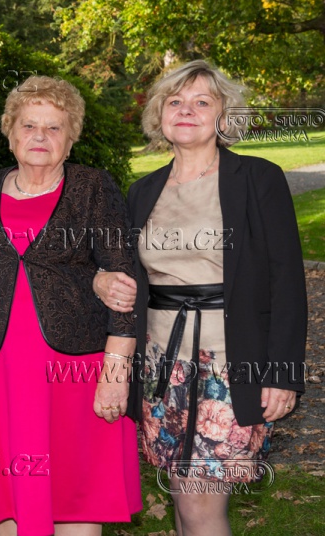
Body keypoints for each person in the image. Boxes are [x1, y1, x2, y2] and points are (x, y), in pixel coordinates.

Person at [95, 60, 307, 536]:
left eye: (201, 102)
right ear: (160, 115)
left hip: (232, 366)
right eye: (175, 101)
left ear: (223, 117)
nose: (185, 110)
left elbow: (287, 281)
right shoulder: (142, 191)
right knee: (181, 496)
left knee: (198, 503)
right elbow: (124, 274)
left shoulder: (258, 178)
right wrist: (101, 281)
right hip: (160, 367)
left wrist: (282, 373)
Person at [0, 75, 142, 536]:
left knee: (76, 496)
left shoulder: (93, 187)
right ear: (10, 133)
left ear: (71, 137)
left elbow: (125, 284)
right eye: (29, 125)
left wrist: (116, 371)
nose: (40, 136)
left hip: (75, 373)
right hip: (1, 368)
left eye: (54, 127)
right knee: (9, 498)